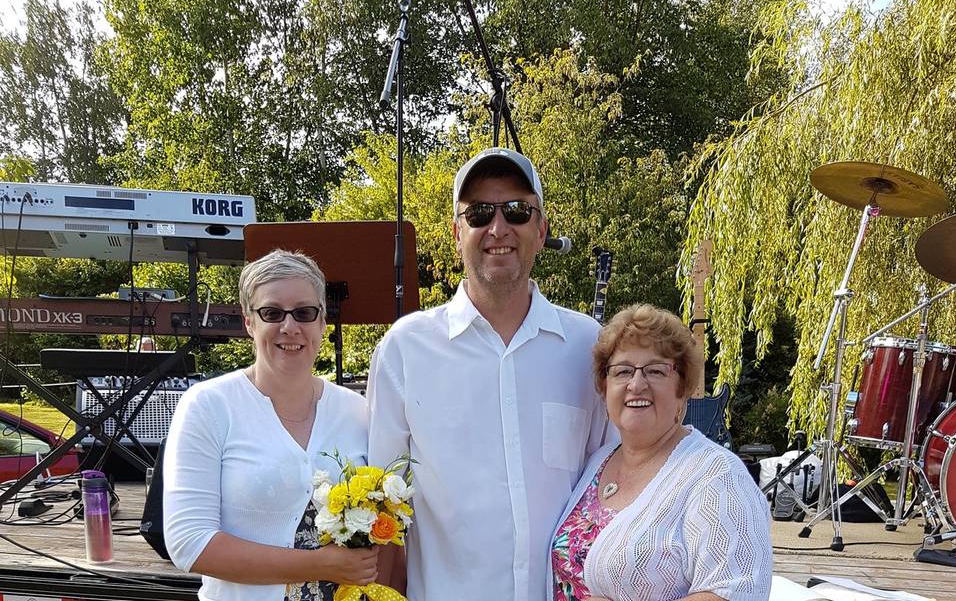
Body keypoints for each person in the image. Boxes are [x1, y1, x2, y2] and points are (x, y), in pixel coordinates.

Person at [368, 147, 614, 601]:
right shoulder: (406, 349)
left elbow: (617, 486)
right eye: (479, 213)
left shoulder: (589, 346)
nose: (498, 228)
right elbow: (384, 511)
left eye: (517, 211)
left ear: (541, 231)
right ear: (457, 231)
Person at [163, 249, 377, 601]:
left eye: (305, 313)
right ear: (249, 322)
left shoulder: (357, 410)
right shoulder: (209, 405)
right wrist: (320, 565)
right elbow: (190, 543)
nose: (290, 327)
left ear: (322, 321)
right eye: (272, 312)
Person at [549, 304, 772, 601]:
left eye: (655, 371)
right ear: (605, 387)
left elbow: (737, 592)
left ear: (682, 387)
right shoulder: (599, 460)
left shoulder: (717, 475)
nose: (636, 384)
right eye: (622, 371)